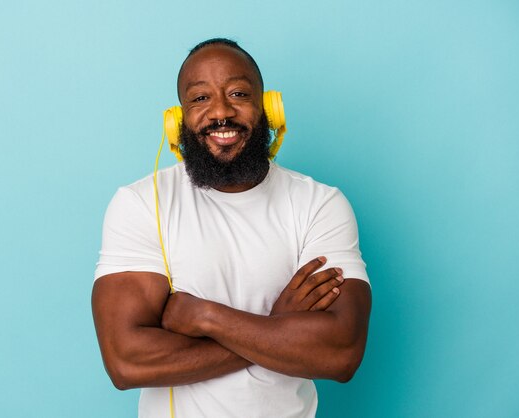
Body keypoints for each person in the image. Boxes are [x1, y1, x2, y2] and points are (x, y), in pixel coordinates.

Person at [92, 38, 372, 418]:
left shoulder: (319, 204)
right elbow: (127, 363)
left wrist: (204, 317)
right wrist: (277, 327)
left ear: (268, 108)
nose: (220, 112)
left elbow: (340, 354)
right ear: (177, 120)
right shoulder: (141, 205)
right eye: (200, 98)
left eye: (238, 93)